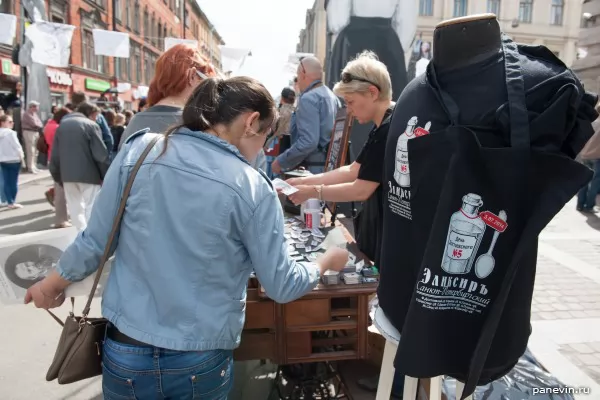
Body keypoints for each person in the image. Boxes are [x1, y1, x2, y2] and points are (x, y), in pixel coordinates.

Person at [24, 76, 349, 399]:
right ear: (251, 122)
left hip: (127, 346)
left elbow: (95, 241)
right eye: (265, 137)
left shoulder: (140, 149)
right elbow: (281, 284)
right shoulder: (252, 186)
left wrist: (50, 286)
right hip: (199, 356)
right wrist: (324, 262)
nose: (260, 151)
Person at [287, 51, 394, 264]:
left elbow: (361, 189)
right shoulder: (382, 126)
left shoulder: (389, 129)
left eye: (351, 102)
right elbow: (353, 169)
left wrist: (313, 191)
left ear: (373, 92)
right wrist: (304, 181)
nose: (350, 111)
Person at [118, 44, 216, 150]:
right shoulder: (198, 124)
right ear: (192, 75)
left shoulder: (136, 121)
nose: (210, 89)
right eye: (206, 80)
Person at [272, 56, 340, 175]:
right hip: (329, 168)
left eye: (297, 76)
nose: (297, 80)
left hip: (312, 170)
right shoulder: (332, 96)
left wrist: (281, 161)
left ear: (303, 73)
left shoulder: (309, 98)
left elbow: (308, 141)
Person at [49, 102, 109, 231]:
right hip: (89, 174)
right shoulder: (91, 125)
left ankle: (80, 235)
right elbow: (100, 154)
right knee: (92, 206)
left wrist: (57, 176)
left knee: (75, 208)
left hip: (67, 175)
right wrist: (105, 174)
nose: (97, 119)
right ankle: (92, 236)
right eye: (96, 115)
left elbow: (55, 155)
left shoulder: (62, 126)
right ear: (90, 113)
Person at [44, 107, 72, 228]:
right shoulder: (57, 128)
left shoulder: (49, 125)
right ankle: (61, 219)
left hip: (52, 157)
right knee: (62, 188)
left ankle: (52, 193)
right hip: (60, 158)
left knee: (59, 185)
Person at [577, 110, 600, 213]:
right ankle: (589, 206)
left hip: (585, 155)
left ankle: (580, 204)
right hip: (597, 157)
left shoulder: (593, 121)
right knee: (595, 183)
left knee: (584, 181)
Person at [0, 114, 24, 209]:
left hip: (2, 160)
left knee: (5, 181)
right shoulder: (11, 133)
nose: (12, 123)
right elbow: (17, 146)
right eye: (9, 122)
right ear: (3, 123)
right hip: (13, 159)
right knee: (13, 181)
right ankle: (12, 201)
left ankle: (7, 200)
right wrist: (22, 156)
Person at [21, 100, 43, 174]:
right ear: (32, 107)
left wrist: (38, 124)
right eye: (37, 106)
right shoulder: (27, 114)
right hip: (29, 132)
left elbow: (40, 123)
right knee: (31, 150)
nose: (38, 108)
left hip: (35, 132)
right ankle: (30, 167)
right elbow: (35, 124)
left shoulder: (34, 114)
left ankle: (34, 166)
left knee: (36, 150)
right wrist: (38, 124)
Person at [275, 87, 296, 154]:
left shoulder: (278, 111)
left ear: (282, 98)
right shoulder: (297, 111)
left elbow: (274, 128)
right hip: (294, 141)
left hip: (281, 140)